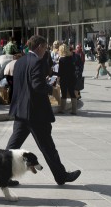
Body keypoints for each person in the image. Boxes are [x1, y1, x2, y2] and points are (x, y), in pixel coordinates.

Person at [6, 35, 81, 186]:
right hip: (35, 113)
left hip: (21, 111)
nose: (46, 50)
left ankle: (2, 175)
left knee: (12, 147)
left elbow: (23, 85)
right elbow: (37, 85)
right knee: (47, 146)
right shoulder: (37, 62)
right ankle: (61, 176)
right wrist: (50, 87)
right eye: (45, 47)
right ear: (39, 46)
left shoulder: (19, 61)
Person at [58, 44, 77, 114]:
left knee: (63, 93)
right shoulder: (72, 58)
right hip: (72, 77)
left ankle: (62, 109)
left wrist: (58, 79)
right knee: (72, 92)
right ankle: (74, 110)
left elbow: (60, 71)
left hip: (64, 78)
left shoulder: (61, 60)